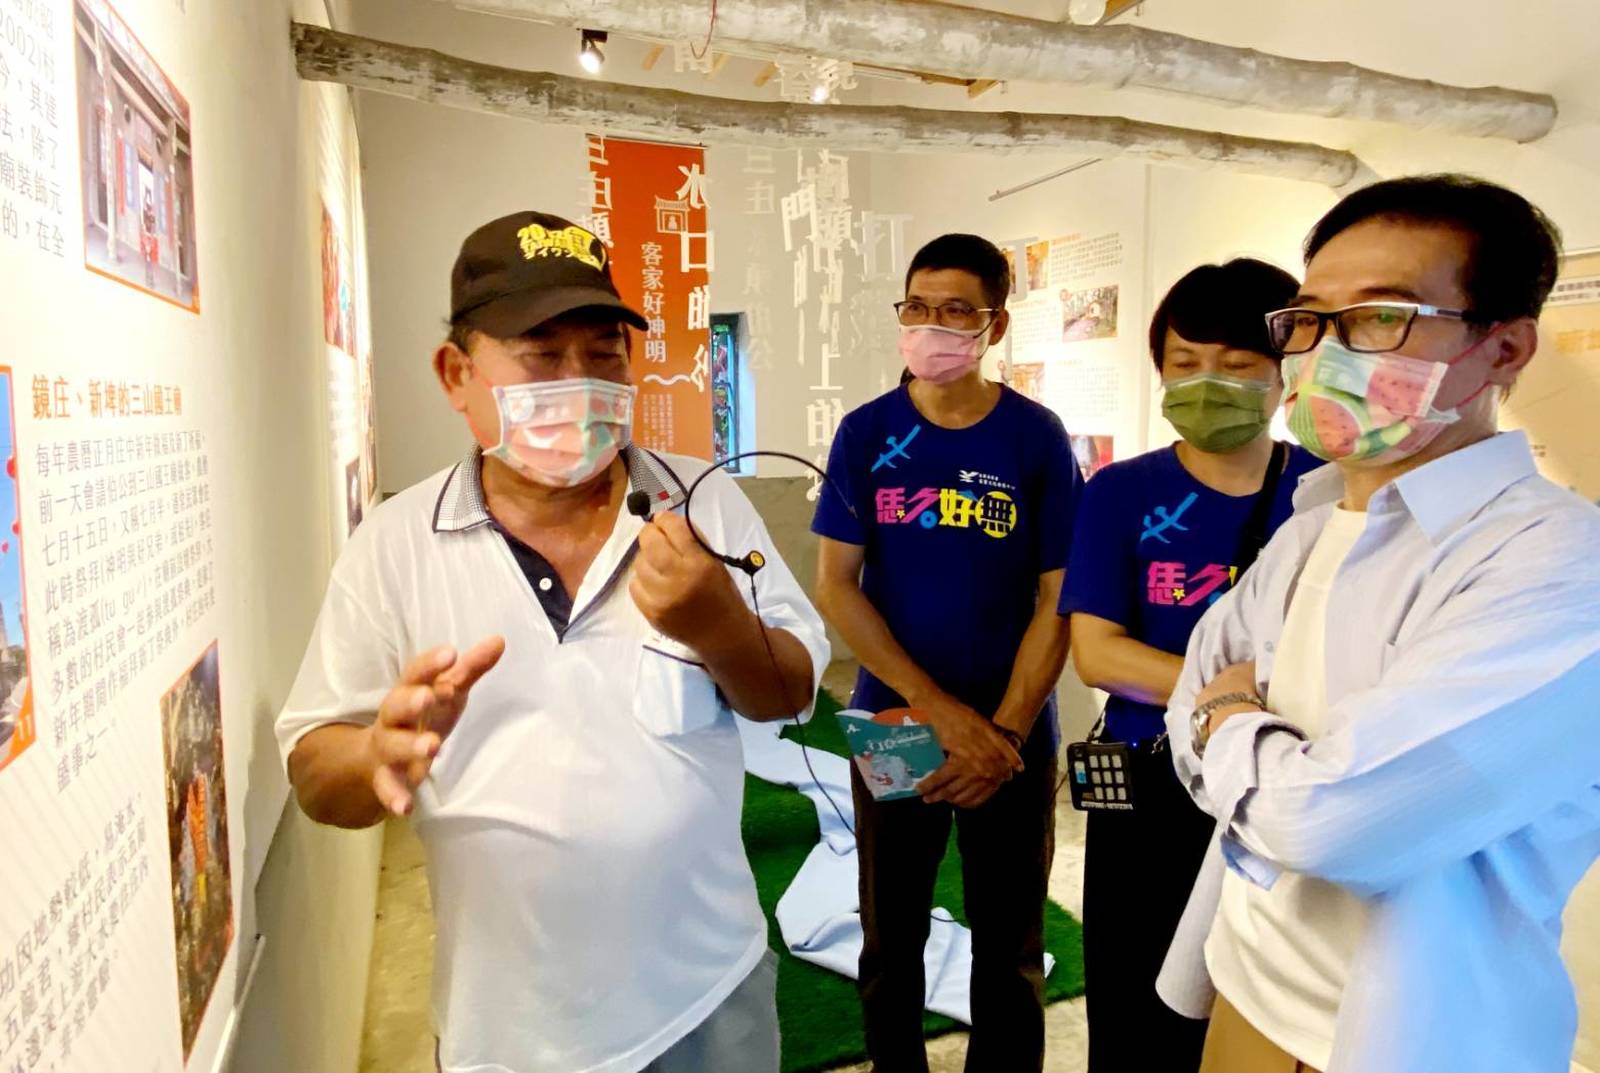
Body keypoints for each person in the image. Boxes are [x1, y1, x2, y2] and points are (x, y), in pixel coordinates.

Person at [277, 211, 831, 1073]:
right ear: (456, 374)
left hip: (707, 996)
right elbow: (316, 770)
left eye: (605, 353)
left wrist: (719, 624)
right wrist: (376, 754)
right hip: (507, 1033)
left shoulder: (703, 506)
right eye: (541, 355)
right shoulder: (395, 545)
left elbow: (788, 694)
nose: (580, 383)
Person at [1161, 175, 1600, 1073]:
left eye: (1378, 318)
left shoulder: (1559, 565)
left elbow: (1334, 826)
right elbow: (1185, 712)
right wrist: (1247, 741)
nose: (1326, 351)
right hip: (1246, 990)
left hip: (1403, 1039)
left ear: (1505, 346)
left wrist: (1231, 718)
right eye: (1310, 320)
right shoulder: (1312, 523)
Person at [812, 233, 1082, 1073]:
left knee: (1011, 945)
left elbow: (1058, 596)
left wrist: (1002, 731)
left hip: (1014, 733)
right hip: (893, 723)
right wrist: (939, 713)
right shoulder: (866, 433)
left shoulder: (1035, 437)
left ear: (994, 325)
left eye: (956, 310)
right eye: (918, 307)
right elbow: (837, 587)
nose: (933, 325)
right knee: (890, 934)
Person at [1061, 258, 1321, 1073]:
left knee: (1256, 1001)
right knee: (1133, 999)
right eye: (1185, 362)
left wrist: (1234, 708)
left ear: (1284, 372)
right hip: (1150, 781)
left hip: (1281, 784)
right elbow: (1097, 652)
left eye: (1237, 365)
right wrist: (1238, 699)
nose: (1208, 383)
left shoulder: (1327, 491)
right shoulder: (1120, 492)